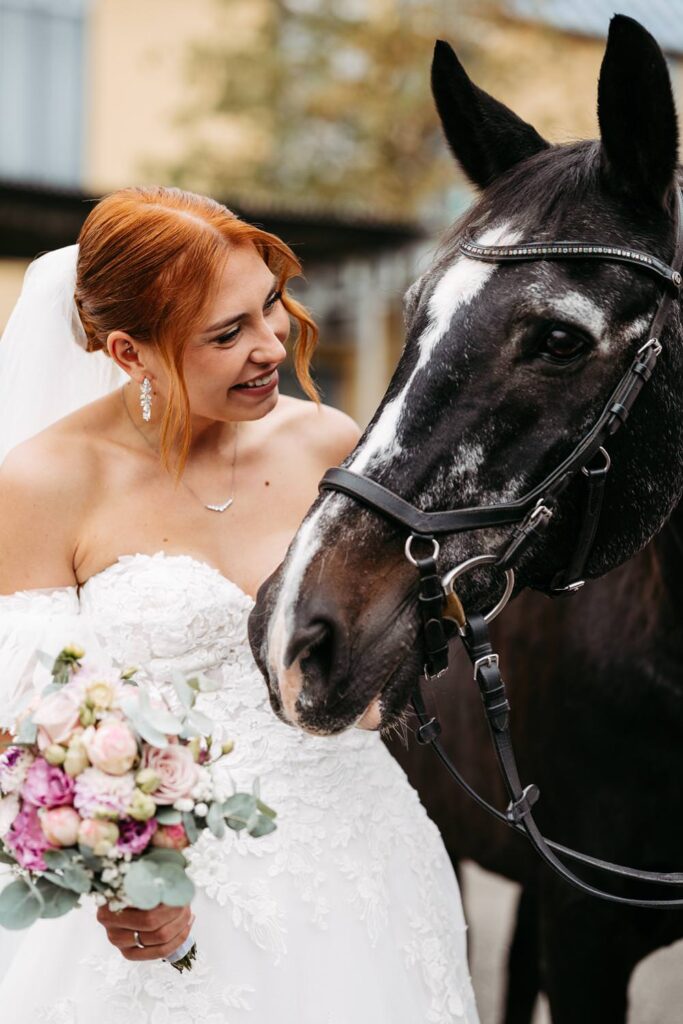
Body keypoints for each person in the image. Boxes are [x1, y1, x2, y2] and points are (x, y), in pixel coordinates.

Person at [0, 186, 479, 1022]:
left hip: (359, 863)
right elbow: (28, 725)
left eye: (269, 306)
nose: (271, 345)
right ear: (127, 351)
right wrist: (116, 873)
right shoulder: (44, 484)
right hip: (156, 894)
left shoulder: (330, 444)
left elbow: (384, 659)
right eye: (227, 334)